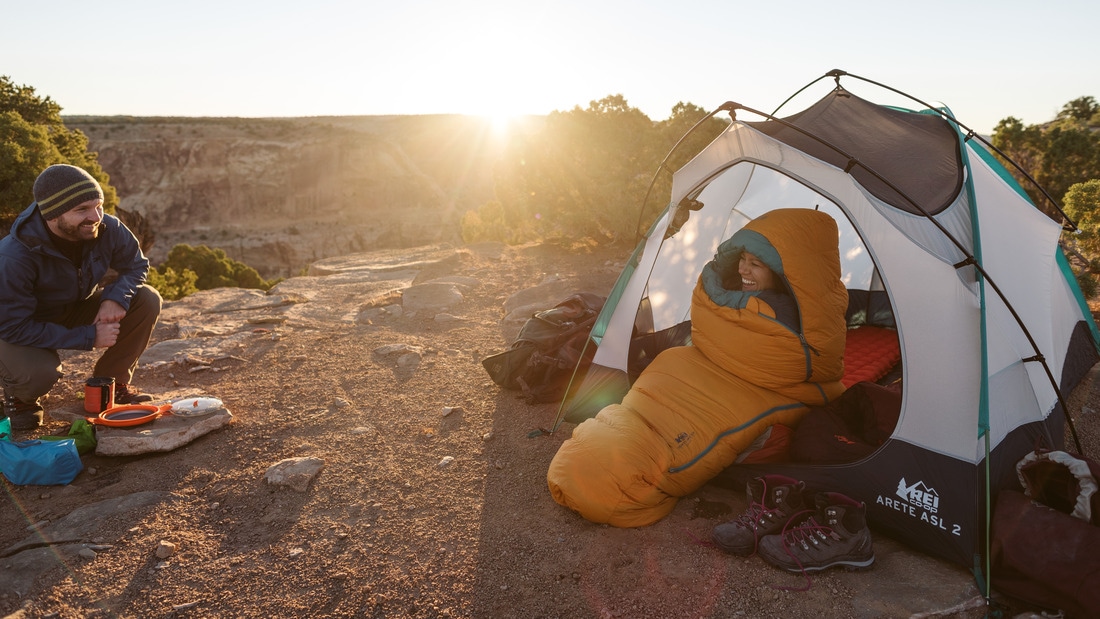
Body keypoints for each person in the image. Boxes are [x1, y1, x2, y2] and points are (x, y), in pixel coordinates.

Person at [0, 164, 162, 431]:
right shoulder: (14, 256)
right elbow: (12, 325)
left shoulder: (106, 227)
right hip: (19, 324)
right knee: (39, 374)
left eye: (98, 205)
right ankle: (21, 398)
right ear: (52, 214)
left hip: (71, 308)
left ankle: (111, 383)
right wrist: (89, 337)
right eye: (82, 210)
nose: (96, 216)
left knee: (145, 299)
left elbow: (136, 265)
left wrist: (115, 297)